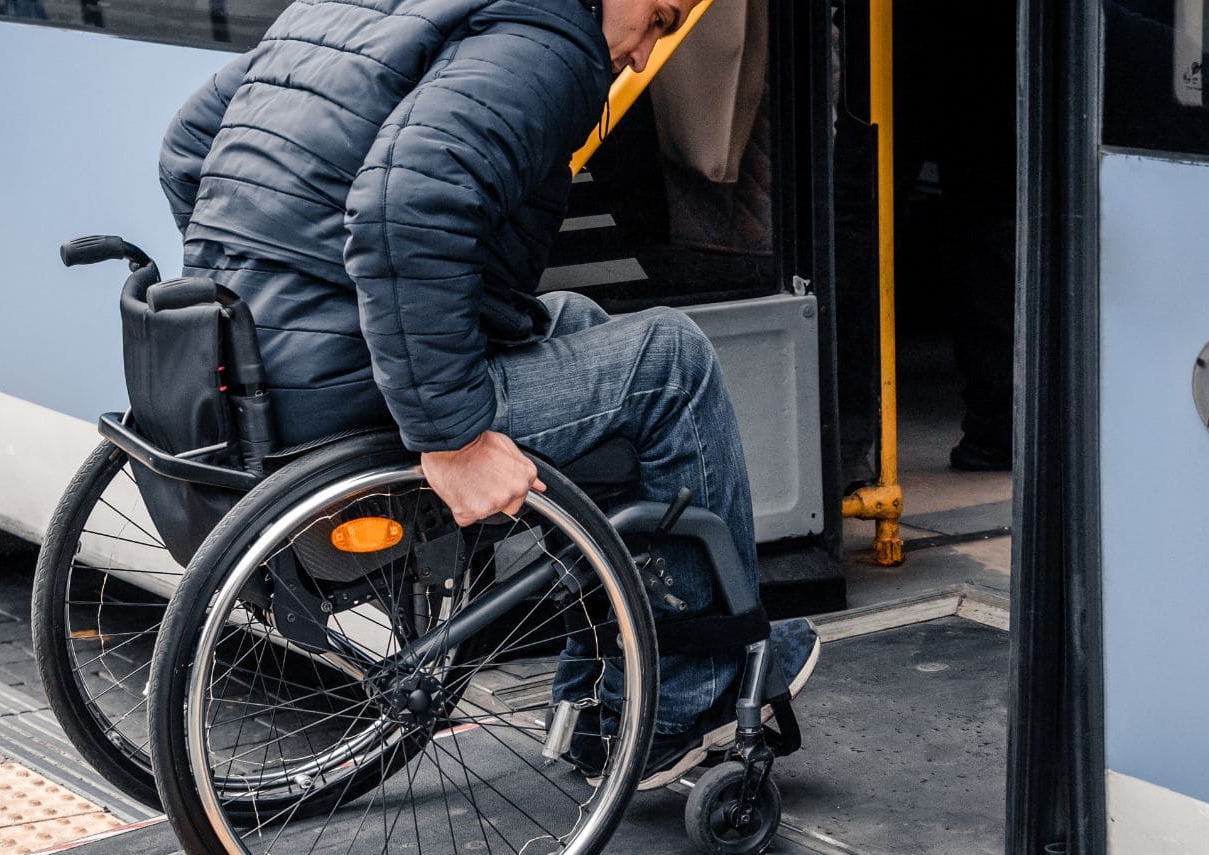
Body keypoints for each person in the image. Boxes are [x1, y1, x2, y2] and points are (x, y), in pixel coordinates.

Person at [158, 0, 820, 790]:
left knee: (575, 324)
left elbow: (188, 145)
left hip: (258, 361)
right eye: (659, 18)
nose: (645, 56)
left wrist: (267, 284)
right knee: (672, 360)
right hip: (347, 383)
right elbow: (401, 209)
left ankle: (603, 671)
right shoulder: (554, 44)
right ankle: (687, 696)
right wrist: (454, 438)